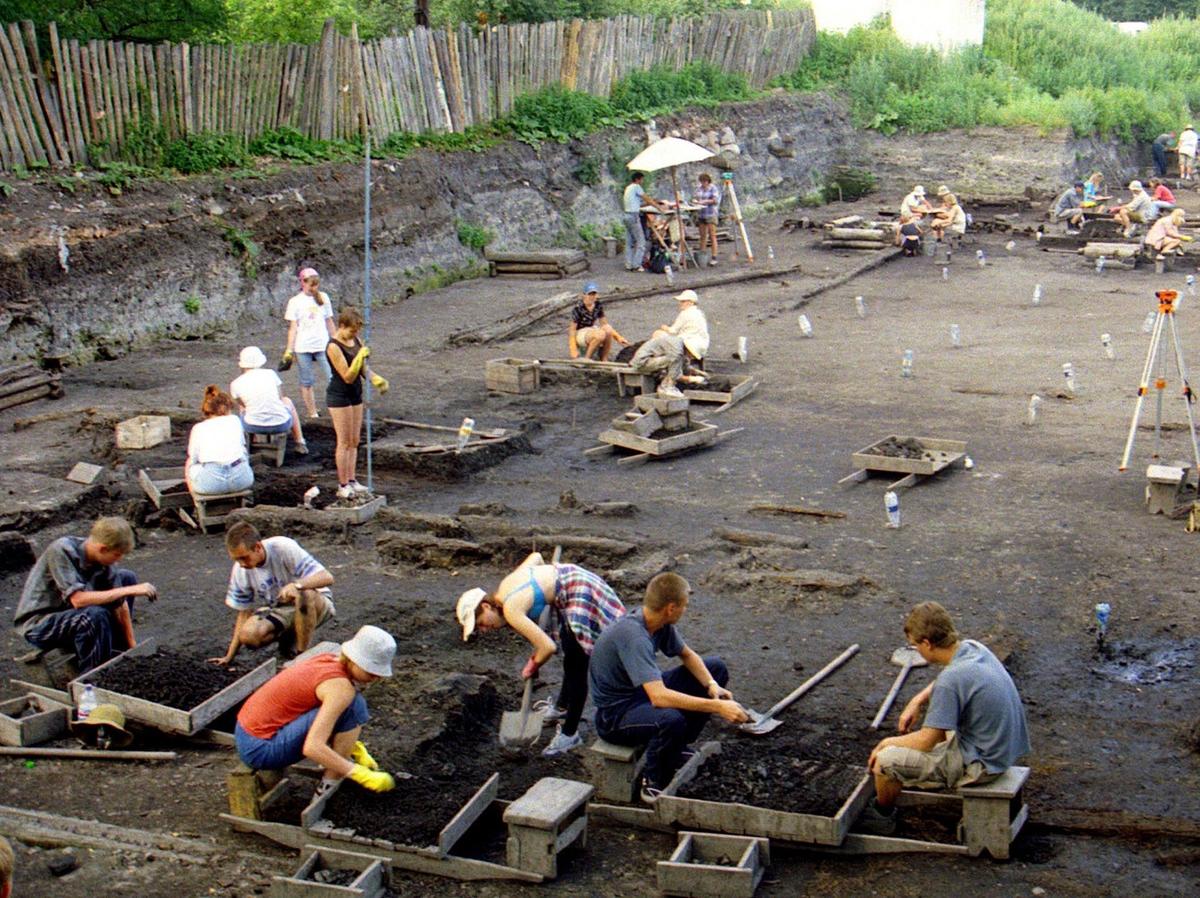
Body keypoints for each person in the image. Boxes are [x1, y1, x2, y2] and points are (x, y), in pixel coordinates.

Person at [860, 602, 1031, 835]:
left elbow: (926, 741)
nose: (915, 651)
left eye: (914, 646)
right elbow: (950, 679)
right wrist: (918, 699)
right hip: (1003, 747)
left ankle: (881, 817)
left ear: (927, 644)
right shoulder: (973, 648)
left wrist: (886, 743)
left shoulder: (950, 681)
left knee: (885, 761)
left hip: (983, 765)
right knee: (938, 727)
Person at [589, 572, 748, 802]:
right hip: (615, 716)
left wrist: (712, 686)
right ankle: (653, 781)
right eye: (685, 606)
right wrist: (717, 707)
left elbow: (687, 654)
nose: (686, 611)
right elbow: (659, 698)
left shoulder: (657, 622)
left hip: (640, 694)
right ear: (671, 608)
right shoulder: (634, 636)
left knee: (715, 668)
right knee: (670, 719)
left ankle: (676, 749)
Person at [456, 551, 626, 757]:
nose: (484, 629)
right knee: (571, 652)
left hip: (578, 590)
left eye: (481, 623)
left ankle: (570, 734)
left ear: (485, 606)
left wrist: (533, 664)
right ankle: (562, 707)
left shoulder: (511, 610)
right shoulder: (506, 586)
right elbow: (536, 558)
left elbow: (547, 647)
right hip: (569, 579)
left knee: (577, 665)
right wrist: (546, 584)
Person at [235, 625, 399, 797]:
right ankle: (327, 787)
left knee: (350, 705)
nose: (376, 677)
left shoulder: (328, 659)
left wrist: (355, 748)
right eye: (370, 671)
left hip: (244, 732)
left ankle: (340, 760)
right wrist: (359, 773)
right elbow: (312, 747)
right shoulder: (341, 689)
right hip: (260, 750)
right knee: (354, 706)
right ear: (353, 660)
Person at [13, 517, 157, 673]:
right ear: (102, 548)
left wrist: (132, 646)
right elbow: (78, 600)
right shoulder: (62, 550)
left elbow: (120, 606)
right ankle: (94, 677)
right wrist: (129, 590)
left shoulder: (103, 560)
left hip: (72, 615)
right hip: (41, 623)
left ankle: (116, 655)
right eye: (117, 555)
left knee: (127, 578)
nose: (119, 559)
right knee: (93, 616)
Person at [210, 521, 335, 666]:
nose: (241, 564)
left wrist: (297, 585)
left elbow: (327, 577)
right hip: (281, 608)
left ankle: (301, 657)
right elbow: (243, 613)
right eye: (236, 559)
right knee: (249, 635)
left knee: (304, 594)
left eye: (244, 557)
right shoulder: (240, 571)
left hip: (316, 603)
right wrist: (228, 657)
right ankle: (289, 642)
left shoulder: (283, 547)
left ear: (257, 547)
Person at [326, 306, 388, 500]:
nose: (354, 334)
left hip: (355, 395)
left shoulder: (357, 341)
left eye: (357, 331)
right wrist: (359, 356)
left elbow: (362, 371)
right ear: (342, 326)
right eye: (352, 330)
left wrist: (376, 378)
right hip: (339, 396)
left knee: (354, 440)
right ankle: (342, 484)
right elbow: (347, 375)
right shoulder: (333, 346)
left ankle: (352, 480)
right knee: (343, 442)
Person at [630, 289, 710, 399]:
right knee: (674, 360)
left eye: (683, 301)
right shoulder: (676, 349)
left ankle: (667, 384)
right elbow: (676, 371)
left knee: (676, 358)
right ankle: (667, 387)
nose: (680, 304)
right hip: (643, 362)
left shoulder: (679, 343)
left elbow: (682, 364)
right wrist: (692, 379)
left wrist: (696, 373)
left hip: (656, 357)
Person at [231, 345, 307, 455]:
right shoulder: (270, 374)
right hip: (281, 423)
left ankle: (251, 441)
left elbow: (242, 405)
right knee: (287, 401)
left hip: (253, 425)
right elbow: (280, 397)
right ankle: (300, 441)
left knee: (243, 408)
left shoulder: (236, 383)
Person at [283, 267, 336, 419]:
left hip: (322, 344)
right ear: (303, 283)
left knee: (333, 377)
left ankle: (336, 409)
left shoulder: (323, 297)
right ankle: (312, 412)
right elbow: (293, 328)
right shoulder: (295, 302)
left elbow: (329, 321)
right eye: (311, 285)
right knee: (306, 381)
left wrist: (337, 341)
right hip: (303, 346)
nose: (314, 288)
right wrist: (289, 350)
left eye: (316, 285)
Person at [186, 386, 253, 497]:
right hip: (241, 481)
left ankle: (196, 503)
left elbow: (193, 458)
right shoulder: (235, 420)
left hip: (211, 484)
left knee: (189, 464)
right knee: (242, 453)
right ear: (227, 408)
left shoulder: (198, 428)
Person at [568, 282, 628, 362]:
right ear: (584, 295)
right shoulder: (578, 308)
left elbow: (604, 324)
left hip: (591, 329)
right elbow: (572, 330)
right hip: (580, 332)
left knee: (608, 329)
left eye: (594, 294)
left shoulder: (598, 305)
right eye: (590, 294)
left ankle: (604, 358)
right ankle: (586, 358)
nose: (592, 297)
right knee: (600, 334)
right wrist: (573, 348)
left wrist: (618, 337)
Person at [623, 172, 667, 272]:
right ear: (638, 179)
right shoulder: (636, 187)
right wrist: (659, 207)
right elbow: (647, 199)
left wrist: (647, 203)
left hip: (626, 215)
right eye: (641, 180)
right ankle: (636, 265)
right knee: (641, 241)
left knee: (629, 242)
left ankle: (628, 264)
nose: (642, 182)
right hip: (633, 216)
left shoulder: (628, 188)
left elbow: (637, 204)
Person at [693, 172, 721, 266]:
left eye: (704, 181)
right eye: (701, 181)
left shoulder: (713, 188)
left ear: (708, 181)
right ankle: (702, 256)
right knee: (703, 236)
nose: (703, 183)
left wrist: (705, 201)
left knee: (712, 235)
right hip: (701, 214)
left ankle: (714, 256)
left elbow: (715, 200)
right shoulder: (699, 188)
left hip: (710, 213)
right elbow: (696, 197)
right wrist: (695, 201)